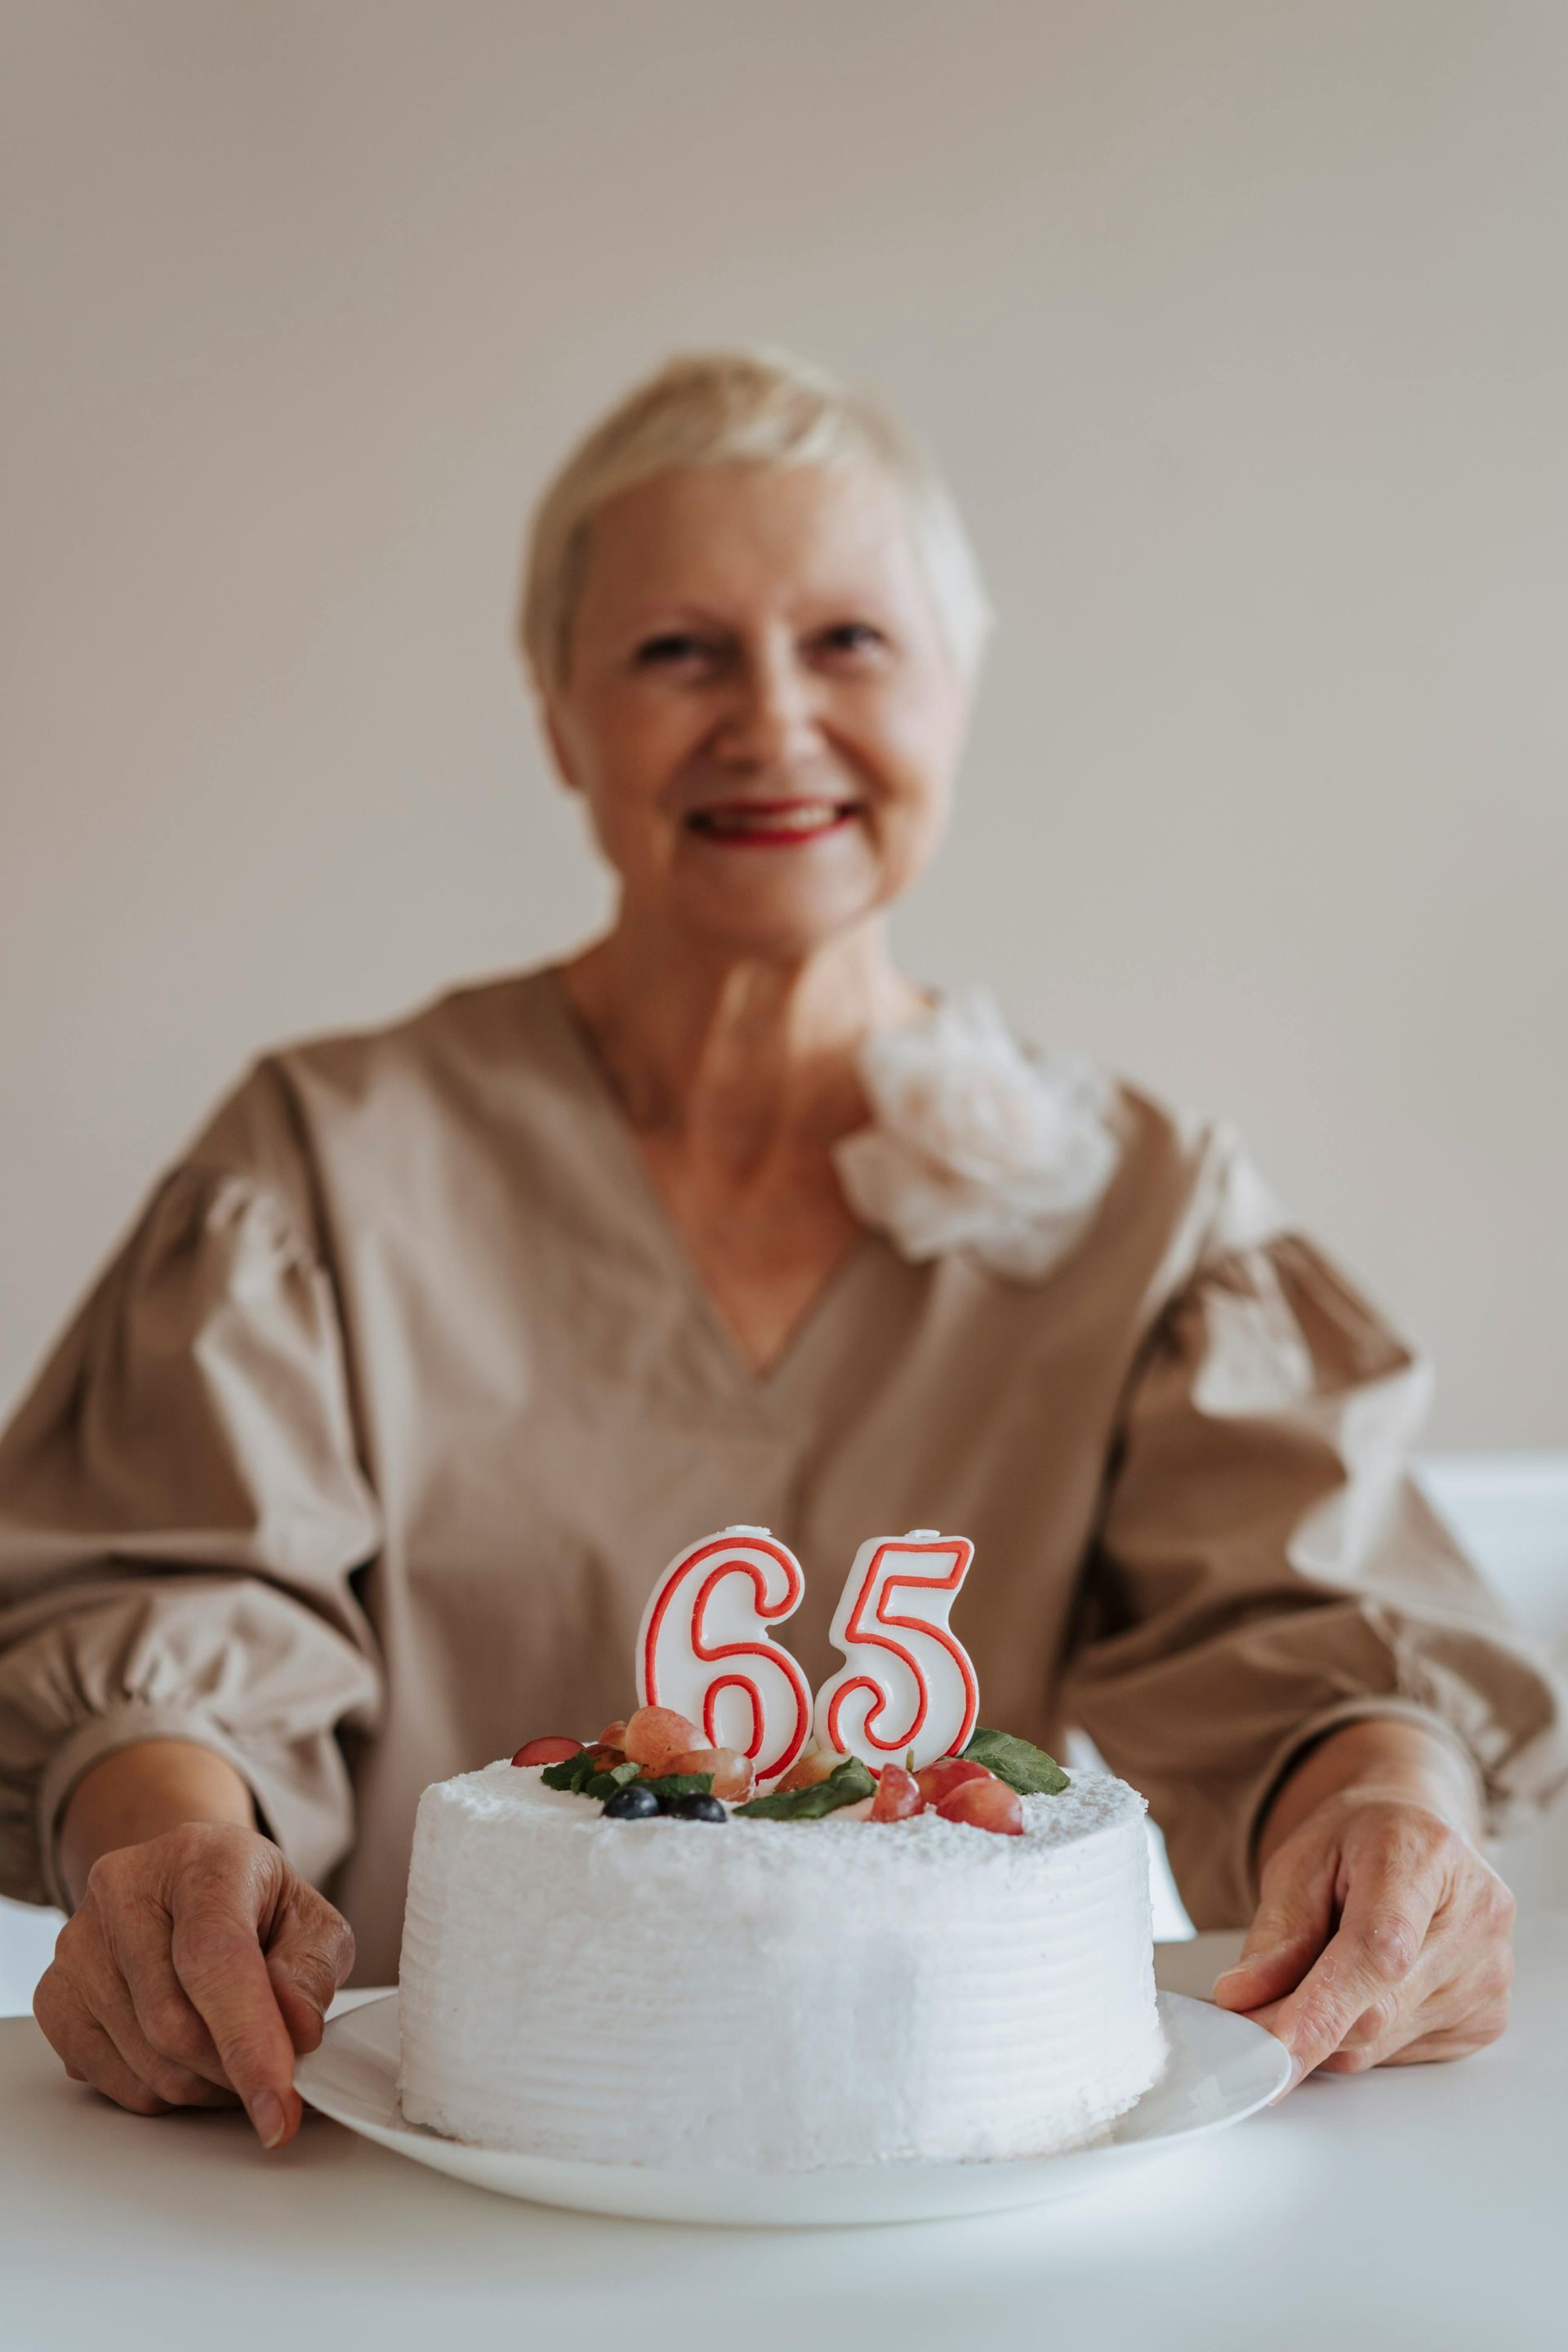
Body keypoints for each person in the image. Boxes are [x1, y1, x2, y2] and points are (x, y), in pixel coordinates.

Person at [2, 349, 1560, 2157]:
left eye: (849, 644)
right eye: (679, 651)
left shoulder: (1146, 1206)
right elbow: (173, 1620)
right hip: (379, 2178)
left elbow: (1306, 1635)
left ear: (959, 692)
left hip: (966, 2184)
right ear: (558, 715)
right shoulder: (326, 1165)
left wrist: (1388, 1819)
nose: (771, 719)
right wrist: (167, 1852)